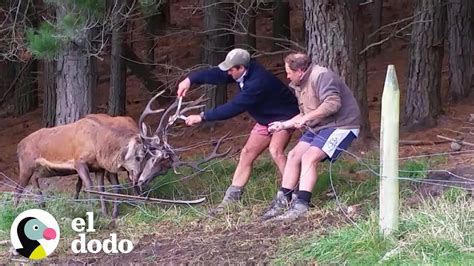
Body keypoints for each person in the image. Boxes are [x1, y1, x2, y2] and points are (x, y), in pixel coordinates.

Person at [177, 48, 300, 215]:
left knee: (275, 151)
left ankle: (292, 195)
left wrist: (202, 116)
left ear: (241, 68)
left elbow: (234, 107)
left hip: (284, 117)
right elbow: (217, 75)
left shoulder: (257, 82)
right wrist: (190, 80)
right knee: (247, 153)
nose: (227, 72)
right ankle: (231, 200)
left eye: (230, 69)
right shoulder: (241, 71)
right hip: (265, 119)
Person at [261, 53, 361, 221]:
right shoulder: (299, 83)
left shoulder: (321, 76)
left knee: (309, 157)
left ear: (300, 71)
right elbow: (303, 113)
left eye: (289, 72)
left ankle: (301, 204)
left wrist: (306, 119)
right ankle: (283, 200)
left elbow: (332, 103)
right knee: (293, 155)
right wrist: (284, 124)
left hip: (341, 125)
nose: (287, 76)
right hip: (320, 126)